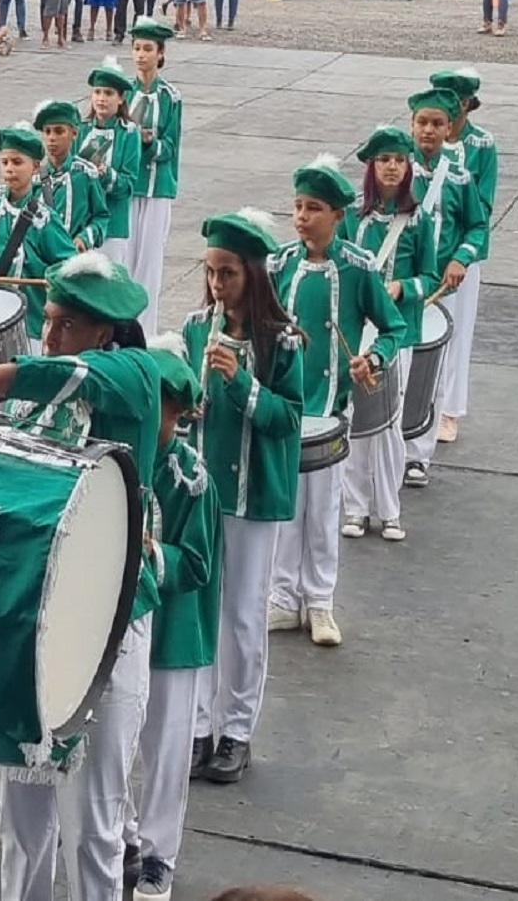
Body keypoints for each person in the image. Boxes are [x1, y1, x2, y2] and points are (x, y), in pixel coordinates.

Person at [0, 253, 161, 901]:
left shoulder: (134, 374)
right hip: (26, 624)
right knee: (21, 824)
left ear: (105, 331)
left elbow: (66, 374)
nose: (48, 337)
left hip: (112, 624)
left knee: (94, 828)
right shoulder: (40, 407)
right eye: (46, 322)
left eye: (65, 324)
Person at [181, 211, 304, 788]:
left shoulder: (282, 340)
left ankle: (237, 730)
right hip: (203, 493)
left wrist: (244, 386)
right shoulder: (192, 330)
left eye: (227, 273)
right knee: (203, 610)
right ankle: (199, 726)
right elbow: (181, 405)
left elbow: (290, 421)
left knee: (243, 617)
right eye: (209, 272)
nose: (216, 285)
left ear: (252, 274)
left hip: (253, 497)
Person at [268, 157, 406, 648]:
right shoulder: (277, 264)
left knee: (324, 509)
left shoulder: (358, 267)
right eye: (298, 207)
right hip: (283, 406)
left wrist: (372, 357)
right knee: (284, 506)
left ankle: (320, 601)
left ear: (338, 215)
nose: (302, 217)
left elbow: (395, 327)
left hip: (329, 409)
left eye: (314, 208)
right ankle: (284, 598)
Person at [129, 333, 224, 901]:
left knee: (165, 747)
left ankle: (159, 854)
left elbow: (198, 563)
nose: (146, 414)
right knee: (116, 741)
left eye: (159, 404)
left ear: (180, 410)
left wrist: (150, 553)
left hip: (174, 633)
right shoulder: (117, 457)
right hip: (121, 626)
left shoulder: (193, 477)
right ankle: (121, 838)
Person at [339, 125, 435, 543]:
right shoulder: (352, 217)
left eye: (399, 160)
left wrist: (402, 287)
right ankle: (356, 507)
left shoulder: (418, 220)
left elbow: (430, 276)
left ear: (408, 166)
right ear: (371, 167)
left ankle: (389, 508)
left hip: (399, 331)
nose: (392, 168)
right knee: (355, 422)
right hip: (356, 330)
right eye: (384, 160)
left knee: (389, 421)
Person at [405, 84, 490, 471]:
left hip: (444, 282)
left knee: (432, 366)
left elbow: (477, 227)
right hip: (404, 284)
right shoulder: (395, 169)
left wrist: (461, 258)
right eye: (422, 122)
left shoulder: (458, 176)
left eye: (437, 123)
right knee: (394, 366)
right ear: (411, 125)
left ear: (448, 128)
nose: (428, 130)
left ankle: (420, 453)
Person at [0, 124, 79, 344]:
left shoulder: (44, 218)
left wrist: (53, 281)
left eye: (17, 162)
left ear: (35, 167)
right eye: (5, 162)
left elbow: (69, 267)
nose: (9, 169)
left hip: (30, 322)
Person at [125, 19, 182, 336]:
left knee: (149, 262)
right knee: (124, 259)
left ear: (160, 54)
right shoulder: (123, 93)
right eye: (137, 48)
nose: (141, 55)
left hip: (157, 185)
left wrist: (150, 143)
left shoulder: (170, 97)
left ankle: (144, 333)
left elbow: (172, 145)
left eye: (148, 49)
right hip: (128, 185)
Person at [79, 59, 144, 265]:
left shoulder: (129, 134)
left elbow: (129, 184)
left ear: (121, 98)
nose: (101, 99)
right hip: (81, 226)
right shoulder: (80, 130)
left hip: (113, 225)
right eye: (97, 92)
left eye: (108, 93)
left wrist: (106, 174)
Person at [34, 99, 109, 252]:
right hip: (41, 260)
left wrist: (85, 237)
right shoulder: (34, 177)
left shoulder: (85, 173)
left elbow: (101, 217)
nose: (52, 138)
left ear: (74, 133)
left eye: (59, 131)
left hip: (75, 257)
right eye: (47, 131)